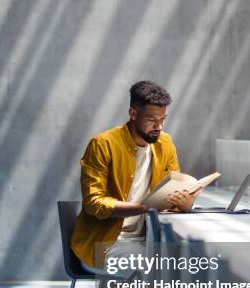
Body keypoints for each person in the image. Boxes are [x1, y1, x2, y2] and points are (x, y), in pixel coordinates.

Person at [70, 80, 200, 276]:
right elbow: (94, 204)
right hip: (106, 244)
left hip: (148, 239)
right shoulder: (103, 144)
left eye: (163, 119)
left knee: (197, 266)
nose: (159, 126)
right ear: (133, 114)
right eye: (152, 120)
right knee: (158, 271)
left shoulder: (165, 143)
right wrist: (144, 208)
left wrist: (184, 203)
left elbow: (172, 191)